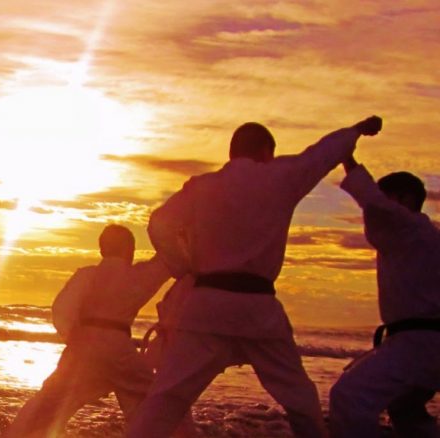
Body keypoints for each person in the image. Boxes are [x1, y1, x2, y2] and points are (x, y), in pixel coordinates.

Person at [126, 116, 383, 438]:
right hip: (258, 310)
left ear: (232, 152)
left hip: (206, 306)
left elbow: (160, 223)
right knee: (300, 400)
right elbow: (320, 155)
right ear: (265, 152)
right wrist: (355, 131)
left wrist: (184, 265)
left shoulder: (202, 187)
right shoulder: (279, 176)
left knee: (167, 399)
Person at [4, 225, 172, 437]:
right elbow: (165, 262)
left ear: (102, 250)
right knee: (149, 401)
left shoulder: (86, 275)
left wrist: (73, 338)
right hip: (119, 347)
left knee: (50, 402)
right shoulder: (137, 276)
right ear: (130, 250)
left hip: (83, 344)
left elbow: (61, 309)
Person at [328, 154, 440, 437]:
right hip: (420, 342)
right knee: (405, 408)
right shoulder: (424, 236)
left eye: (387, 198)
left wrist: (346, 156)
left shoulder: (410, 228)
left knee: (349, 397)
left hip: (420, 343)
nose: (376, 213)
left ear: (404, 199)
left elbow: (371, 199)